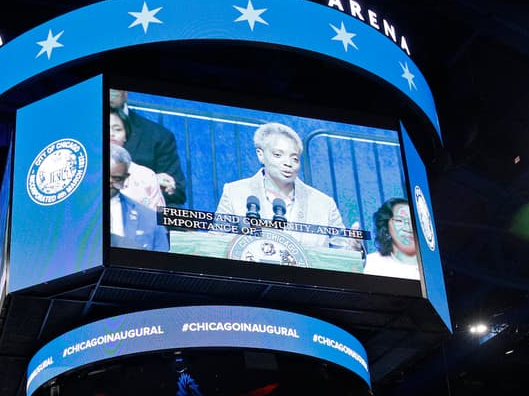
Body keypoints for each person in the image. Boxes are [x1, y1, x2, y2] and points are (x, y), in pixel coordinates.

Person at [215, 122, 346, 260]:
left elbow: (344, 255)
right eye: (278, 155)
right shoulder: (235, 193)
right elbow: (215, 244)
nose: (288, 163)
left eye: (294, 158)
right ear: (260, 155)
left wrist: (356, 250)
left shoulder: (324, 204)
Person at [109, 89, 186, 205]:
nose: (111, 133)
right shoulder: (78, 126)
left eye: (117, 129)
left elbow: (176, 193)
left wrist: (152, 183)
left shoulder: (158, 135)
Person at [109, 145, 169, 251]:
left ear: (126, 177)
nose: (109, 182)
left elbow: (162, 261)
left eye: (116, 178)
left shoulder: (150, 218)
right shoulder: (74, 211)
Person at [109, 112, 165, 211]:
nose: (111, 134)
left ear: (126, 135)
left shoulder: (146, 176)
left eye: (117, 129)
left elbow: (158, 220)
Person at [363, 198, 421, 279]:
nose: (408, 227)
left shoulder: (435, 267)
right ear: (386, 228)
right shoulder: (371, 263)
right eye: (400, 220)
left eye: (413, 221)